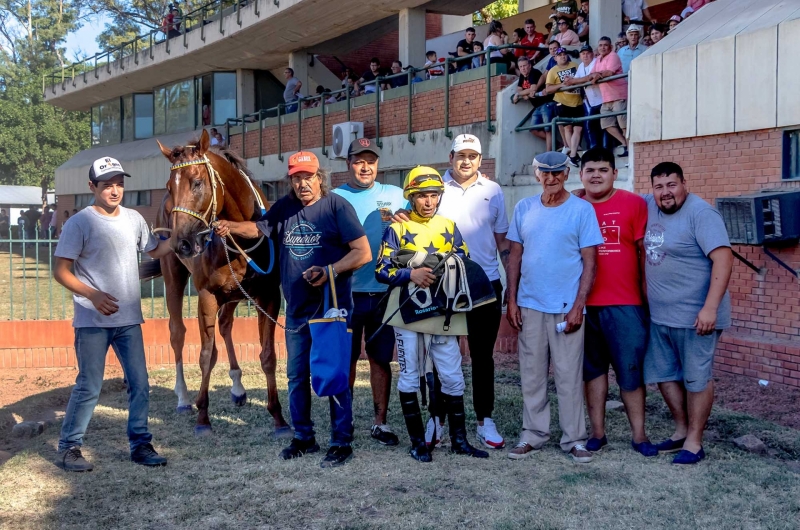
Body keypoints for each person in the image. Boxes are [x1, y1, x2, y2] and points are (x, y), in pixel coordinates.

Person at [214, 151, 371, 468]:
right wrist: (230, 226)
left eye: (308, 177)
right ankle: (304, 438)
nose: (302, 184)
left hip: (332, 308)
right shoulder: (284, 208)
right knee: (296, 377)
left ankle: (341, 442)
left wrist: (329, 271)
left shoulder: (336, 206)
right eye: (296, 178)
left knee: (334, 376)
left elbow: (363, 252)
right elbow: (259, 229)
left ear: (319, 177)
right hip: (297, 311)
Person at [53, 157, 173, 472]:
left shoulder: (134, 219)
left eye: (119, 184)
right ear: (92, 187)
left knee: (140, 383)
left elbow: (155, 250)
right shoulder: (80, 222)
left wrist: (180, 236)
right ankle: (69, 448)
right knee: (89, 385)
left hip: (129, 320)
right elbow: (60, 270)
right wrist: (91, 294)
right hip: (92, 322)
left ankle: (140, 445)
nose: (115, 190)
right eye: (107, 185)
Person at [377, 166, 489, 462]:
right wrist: (410, 274)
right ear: (411, 197)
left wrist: (440, 266)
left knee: (453, 376)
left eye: (434, 195)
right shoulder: (396, 227)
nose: (429, 202)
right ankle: (417, 444)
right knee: (410, 375)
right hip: (407, 312)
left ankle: (459, 441)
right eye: (422, 196)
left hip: (443, 311)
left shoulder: (449, 226)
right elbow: (381, 270)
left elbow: (464, 260)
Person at [505, 151, 603, 463]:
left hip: (566, 307)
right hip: (530, 305)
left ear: (566, 174)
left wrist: (579, 305)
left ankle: (574, 439)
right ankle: (532, 435)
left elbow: (590, 262)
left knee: (568, 376)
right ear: (537, 175)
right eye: (545, 173)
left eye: (557, 173)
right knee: (532, 376)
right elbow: (515, 257)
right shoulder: (524, 208)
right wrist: (512, 300)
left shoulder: (581, 210)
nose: (551, 179)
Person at [643, 162, 733, 465]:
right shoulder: (650, 205)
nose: (665, 193)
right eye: (659, 187)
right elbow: (614, 196)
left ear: (685, 184)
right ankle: (681, 429)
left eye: (672, 185)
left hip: (697, 318)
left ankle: (695, 441)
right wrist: (578, 193)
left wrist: (709, 308)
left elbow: (723, 258)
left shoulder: (701, 214)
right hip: (660, 316)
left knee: (696, 378)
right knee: (664, 375)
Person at [577, 148, 658, 457]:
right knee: (593, 372)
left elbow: (644, 256)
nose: (596, 175)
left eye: (603, 169)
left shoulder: (634, 204)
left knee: (630, 372)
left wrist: (647, 301)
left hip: (626, 304)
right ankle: (598, 433)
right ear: (581, 175)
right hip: (584, 306)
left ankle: (639, 435)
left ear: (614, 173)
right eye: (590, 170)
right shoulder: (575, 206)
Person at [332, 139, 406, 447]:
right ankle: (344, 421)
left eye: (371, 161)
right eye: (359, 161)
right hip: (348, 292)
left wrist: (408, 218)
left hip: (384, 292)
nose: (365, 166)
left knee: (380, 359)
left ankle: (380, 423)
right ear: (348, 163)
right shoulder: (334, 197)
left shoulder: (395, 194)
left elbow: (415, 225)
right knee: (346, 359)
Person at [592, 36, 630, 156]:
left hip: (619, 95)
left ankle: (630, 150)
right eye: (600, 45)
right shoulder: (598, 59)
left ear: (611, 47)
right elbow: (592, 74)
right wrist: (596, 75)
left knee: (624, 125)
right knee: (606, 124)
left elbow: (609, 72)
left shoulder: (613, 56)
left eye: (605, 45)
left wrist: (598, 75)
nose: (602, 47)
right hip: (606, 98)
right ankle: (625, 143)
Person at [545, 48, 584, 167]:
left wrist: (573, 82)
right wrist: (562, 84)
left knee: (578, 129)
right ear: (555, 58)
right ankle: (572, 154)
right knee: (568, 128)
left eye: (564, 54)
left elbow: (581, 79)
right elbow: (548, 89)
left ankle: (572, 154)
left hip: (577, 101)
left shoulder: (575, 65)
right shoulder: (552, 71)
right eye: (559, 55)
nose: (563, 56)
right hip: (562, 102)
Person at [565, 44, 602, 150]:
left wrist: (573, 81)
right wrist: (569, 80)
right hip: (591, 100)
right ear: (580, 56)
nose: (585, 56)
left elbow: (589, 77)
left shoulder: (596, 61)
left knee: (602, 125)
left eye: (587, 53)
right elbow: (577, 80)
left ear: (592, 54)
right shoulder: (581, 65)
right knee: (591, 125)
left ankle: (603, 148)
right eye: (583, 54)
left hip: (602, 98)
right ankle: (594, 149)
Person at [513, 56, 555, 149]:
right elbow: (519, 89)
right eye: (520, 67)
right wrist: (523, 94)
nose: (523, 68)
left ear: (530, 65)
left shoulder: (534, 72)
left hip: (546, 103)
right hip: (537, 106)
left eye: (525, 66)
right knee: (533, 129)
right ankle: (558, 144)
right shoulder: (522, 76)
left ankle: (549, 152)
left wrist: (520, 94)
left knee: (548, 128)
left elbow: (533, 88)